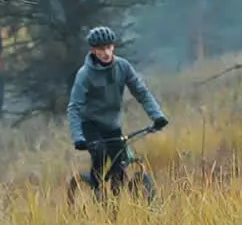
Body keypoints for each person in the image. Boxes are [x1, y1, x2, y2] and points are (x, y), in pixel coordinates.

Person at [67, 26, 168, 192]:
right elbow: (74, 107)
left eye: (109, 47)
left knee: (119, 167)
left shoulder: (123, 66)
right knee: (99, 153)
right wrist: (79, 137)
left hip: (112, 124)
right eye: (101, 49)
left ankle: (114, 207)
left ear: (113, 46)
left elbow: (141, 92)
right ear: (93, 50)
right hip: (91, 124)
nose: (106, 53)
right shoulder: (84, 74)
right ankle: (97, 191)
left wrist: (158, 117)